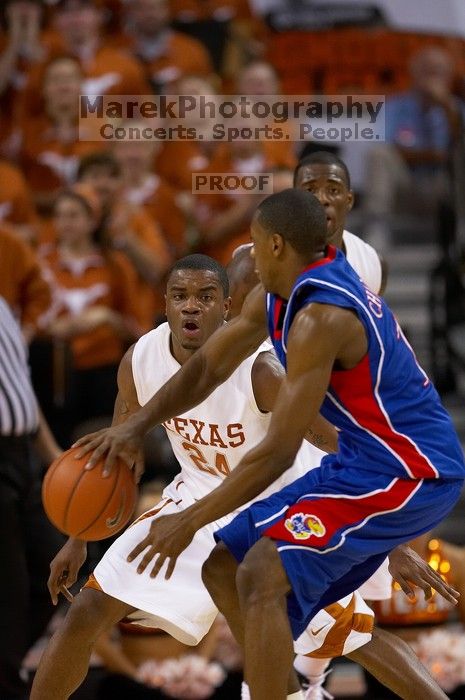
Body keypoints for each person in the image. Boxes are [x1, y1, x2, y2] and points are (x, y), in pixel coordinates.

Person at [72, 189, 464, 700]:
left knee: (260, 573)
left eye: (254, 244)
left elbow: (279, 452)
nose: (249, 255)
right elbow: (210, 367)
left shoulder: (322, 316)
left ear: (275, 245)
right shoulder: (277, 294)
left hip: (408, 469)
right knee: (223, 566)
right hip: (360, 460)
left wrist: (187, 521)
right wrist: (135, 424)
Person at [0, 295, 64, 700]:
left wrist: (54, 457)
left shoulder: (5, 303)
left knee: (53, 570)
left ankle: (6, 667)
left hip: (23, 454)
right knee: (8, 587)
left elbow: (20, 387)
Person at [294, 150, 387, 295]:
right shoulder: (258, 261)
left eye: (333, 190)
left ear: (349, 200)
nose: (321, 199)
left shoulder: (373, 263)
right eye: (310, 190)